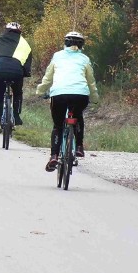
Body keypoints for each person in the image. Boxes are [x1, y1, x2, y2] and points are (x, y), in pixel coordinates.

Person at [36, 31, 99, 172]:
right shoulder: (85, 59)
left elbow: (47, 78)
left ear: (65, 43)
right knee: (77, 116)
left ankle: (54, 156)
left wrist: (40, 91)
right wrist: (95, 98)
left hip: (59, 94)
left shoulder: (57, 56)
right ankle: (79, 147)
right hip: (80, 95)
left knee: (58, 126)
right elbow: (91, 82)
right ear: (82, 45)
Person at [0, 22, 32, 132]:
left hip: (0, 70)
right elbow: (27, 65)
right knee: (18, 93)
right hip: (16, 72)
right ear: (19, 32)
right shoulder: (24, 43)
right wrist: (25, 74)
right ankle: (16, 116)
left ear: (6, 30)